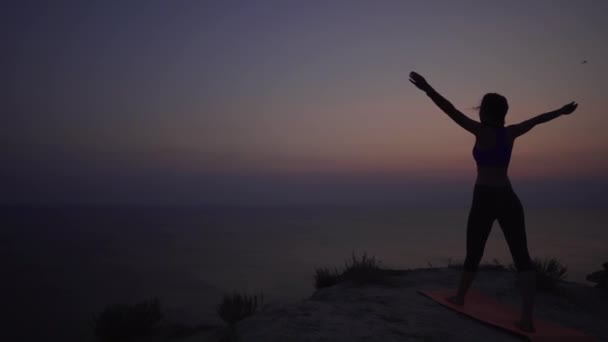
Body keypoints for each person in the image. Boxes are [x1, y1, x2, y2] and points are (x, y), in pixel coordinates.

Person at [409, 71, 578, 332]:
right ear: (504, 113)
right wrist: (561, 111)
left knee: (474, 253)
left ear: (484, 112)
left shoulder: (480, 131)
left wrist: (427, 88)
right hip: (509, 197)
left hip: (485, 197)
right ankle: (527, 319)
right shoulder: (511, 133)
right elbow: (538, 120)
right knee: (522, 257)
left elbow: (450, 110)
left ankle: (460, 297)